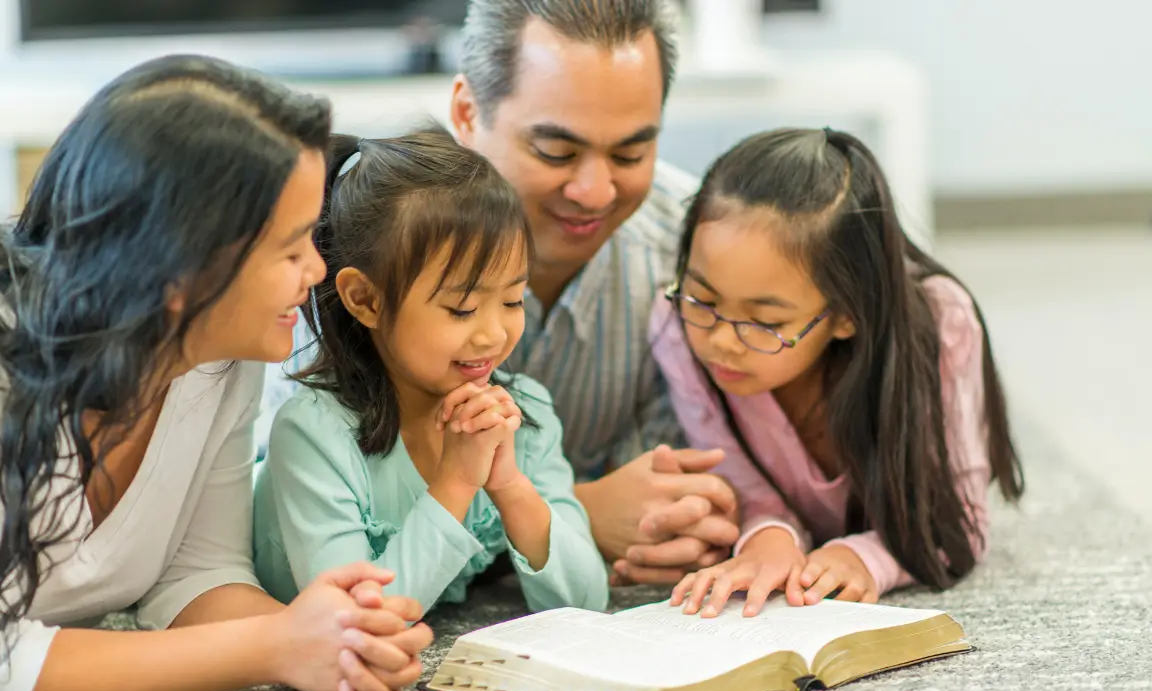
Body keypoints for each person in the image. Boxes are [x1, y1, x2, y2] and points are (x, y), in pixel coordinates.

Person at [0, 55, 430, 691]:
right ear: (177, 268)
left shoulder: (215, 352)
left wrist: (334, 642)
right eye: (289, 249)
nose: (315, 269)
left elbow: (196, 576)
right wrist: (275, 645)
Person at [652, 128, 1026, 619]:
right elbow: (742, 485)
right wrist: (767, 540)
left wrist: (865, 557)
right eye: (703, 296)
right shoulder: (678, 327)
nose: (720, 340)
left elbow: (961, 522)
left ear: (848, 313)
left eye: (765, 322)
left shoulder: (939, 325)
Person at [253, 130, 608, 617]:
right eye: (461, 309)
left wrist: (509, 485)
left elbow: (586, 601)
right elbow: (358, 619)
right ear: (366, 300)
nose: (492, 335)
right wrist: (457, 482)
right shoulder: (314, 433)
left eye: (511, 300)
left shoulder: (523, 414)